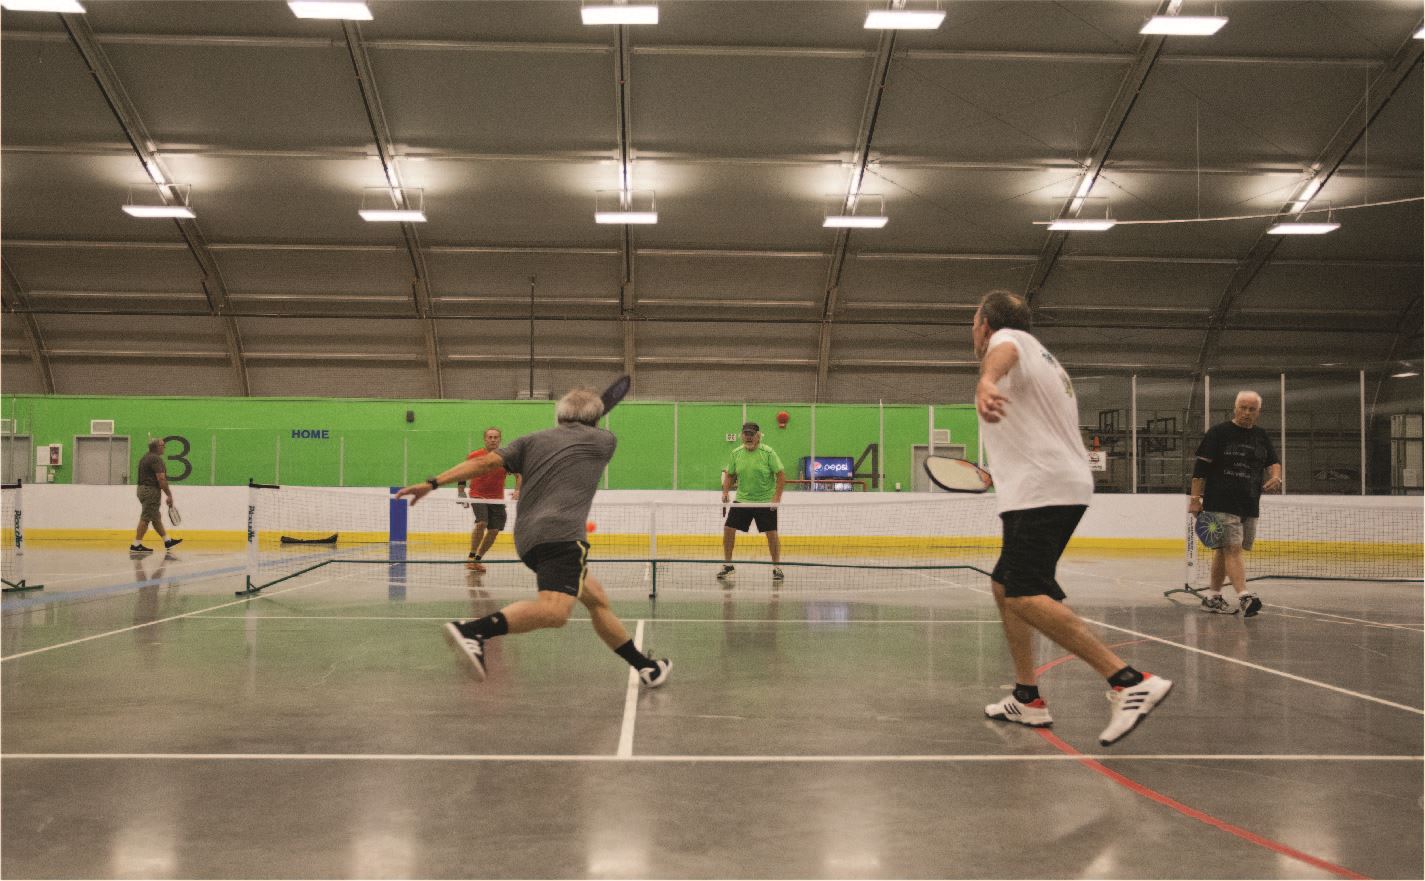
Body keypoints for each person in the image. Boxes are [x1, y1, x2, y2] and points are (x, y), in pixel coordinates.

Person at [971, 290, 1172, 747]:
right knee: (1006, 584)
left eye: (974, 321)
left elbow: (1000, 354)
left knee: (1023, 593)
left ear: (985, 323)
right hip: (1041, 488)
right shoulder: (1045, 359)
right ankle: (1027, 696)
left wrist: (986, 382)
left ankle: (1127, 680)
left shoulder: (1008, 342)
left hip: (1044, 489)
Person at [396, 387, 670, 687]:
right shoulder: (604, 440)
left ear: (559, 414)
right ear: (596, 419)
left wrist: (432, 483)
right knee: (555, 611)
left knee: (596, 599)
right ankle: (473, 629)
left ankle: (645, 667)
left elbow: (483, 463)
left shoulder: (531, 440)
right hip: (562, 535)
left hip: (528, 538)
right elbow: (591, 427)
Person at [1189, 390, 1282, 618]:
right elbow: (1200, 470)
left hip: (1249, 503)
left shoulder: (1261, 436)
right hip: (1220, 500)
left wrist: (1276, 477)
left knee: (1222, 551)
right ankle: (1244, 596)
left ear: (1258, 412)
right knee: (1233, 549)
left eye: (1252, 409)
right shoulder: (1218, 433)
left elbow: (1273, 461)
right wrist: (1194, 499)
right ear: (1235, 408)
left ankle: (1212, 596)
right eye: (1243, 407)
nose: (1246, 413)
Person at [718, 422, 786, 582]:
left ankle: (777, 568)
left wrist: (776, 498)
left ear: (758, 436)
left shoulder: (768, 453)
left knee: (772, 534)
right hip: (743, 500)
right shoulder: (736, 453)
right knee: (728, 529)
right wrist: (725, 491)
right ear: (742, 436)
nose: (748, 437)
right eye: (745, 434)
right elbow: (730, 474)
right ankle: (728, 565)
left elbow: (781, 475)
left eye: (751, 434)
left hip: (765, 502)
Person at [456, 427, 522, 572]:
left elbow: (518, 475)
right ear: (485, 439)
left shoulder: (505, 458)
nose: (493, 440)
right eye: (490, 437)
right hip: (477, 496)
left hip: (497, 499)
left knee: (494, 530)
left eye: (496, 437)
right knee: (482, 522)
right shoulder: (475, 455)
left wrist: (517, 491)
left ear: (500, 439)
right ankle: (470, 557)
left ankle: (477, 560)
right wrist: (461, 492)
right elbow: (462, 473)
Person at [131, 438, 181, 556]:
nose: (164, 447)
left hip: (143, 489)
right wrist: (169, 495)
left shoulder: (146, 457)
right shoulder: (155, 459)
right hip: (150, 491)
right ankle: (136, 545)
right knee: (146, 517)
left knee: (155, 517)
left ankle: (167, 541)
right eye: (162, 445)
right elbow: (161, 479)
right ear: (156, 447)